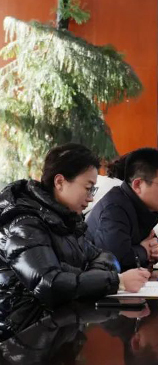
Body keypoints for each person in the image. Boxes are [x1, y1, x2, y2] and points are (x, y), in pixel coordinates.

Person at [0, 143, 150, 340]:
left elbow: (106, 257)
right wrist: (117, 282)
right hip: (23, 335)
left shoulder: (64, 219)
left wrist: (75, 274)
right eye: (88, 188)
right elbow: (49, 285)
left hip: (59, 324)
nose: (90, 198)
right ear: (60, 182)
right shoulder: (24, 224)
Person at [87, 148, 158, 270]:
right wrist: (144, 251)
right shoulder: (115, 209)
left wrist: (152, 249)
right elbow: (114, 262)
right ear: (138, 185)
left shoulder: (141, 207)